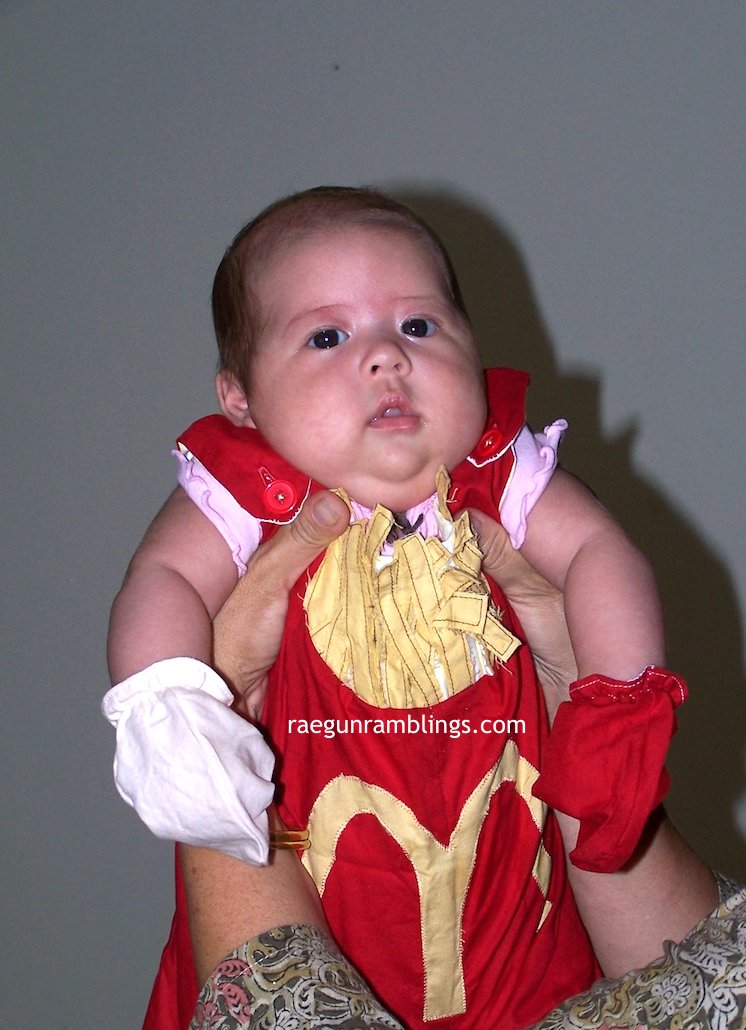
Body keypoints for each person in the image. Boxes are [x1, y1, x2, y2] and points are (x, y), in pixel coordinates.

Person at [104, 186, 711, 1028]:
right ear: (239, 399)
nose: (386, 357)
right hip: (311, 892)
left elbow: (601, 554)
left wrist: (614, 702)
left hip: (508, 932)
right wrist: (169, 702)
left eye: (418, 327)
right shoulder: (250, 495)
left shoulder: (501, 475)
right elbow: (162, 577)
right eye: (327, 336)